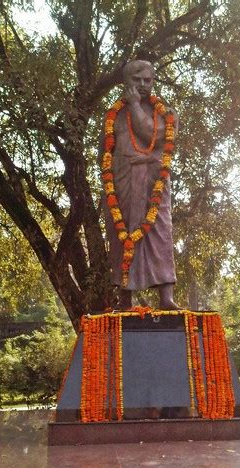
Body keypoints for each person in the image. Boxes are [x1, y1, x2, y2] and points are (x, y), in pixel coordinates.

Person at [101, 60, 180, 309]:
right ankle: (124, 299)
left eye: (148, 80)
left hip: (153, 181)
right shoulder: (113, 116)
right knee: (121, 234)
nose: (143, 85)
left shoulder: (166, 114)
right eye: (138, 80)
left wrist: (135, 106)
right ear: (127, 82)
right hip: (122, 182)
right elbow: (103, 153)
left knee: (160, 234)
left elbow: (152, 136)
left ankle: (166, 298)